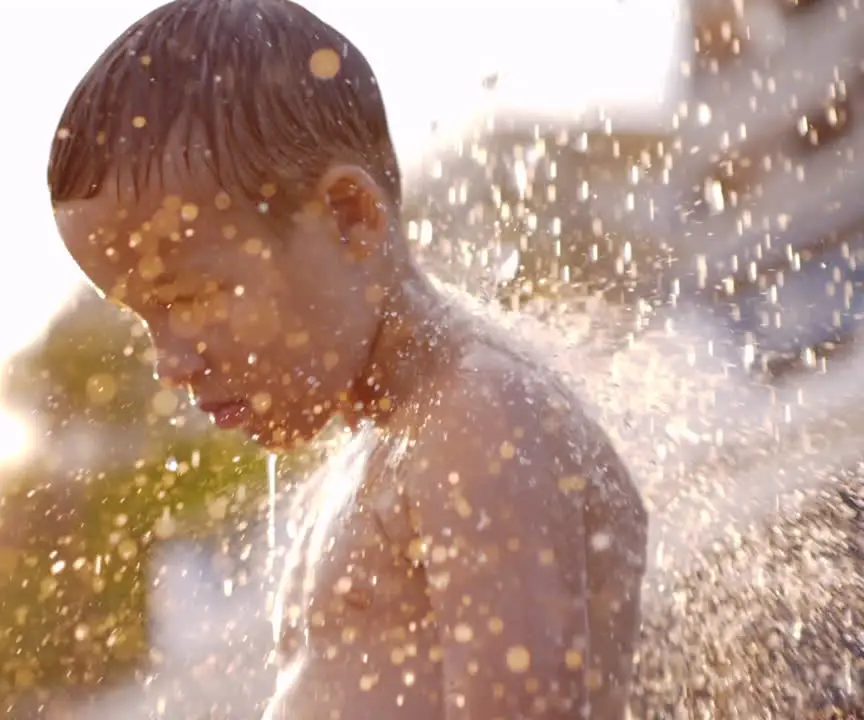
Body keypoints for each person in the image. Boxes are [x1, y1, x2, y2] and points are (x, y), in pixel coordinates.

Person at [45, 0, 648, 717]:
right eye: (144, 318)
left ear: (349, 217)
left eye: (192, 296)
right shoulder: (382, 445)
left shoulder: (480, 420)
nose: (170, 362)